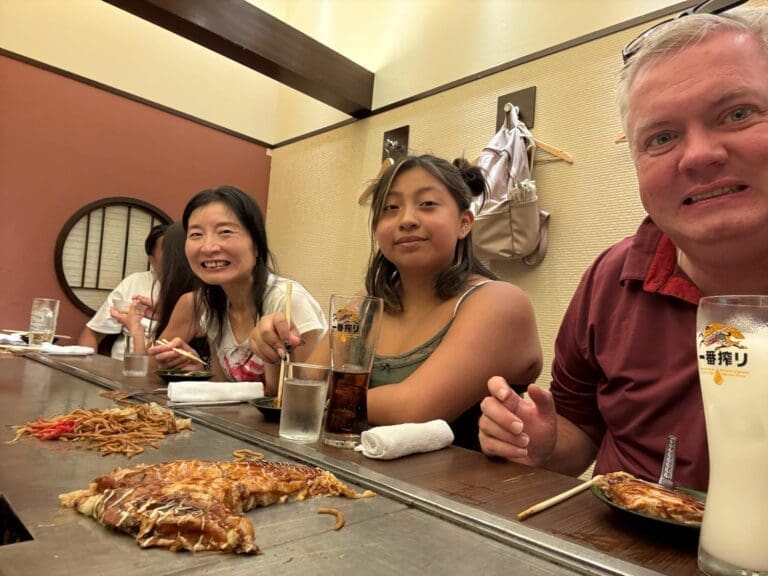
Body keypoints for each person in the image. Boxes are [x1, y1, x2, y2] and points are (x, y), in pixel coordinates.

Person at [478, 5, 768, 491]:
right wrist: (544, 442)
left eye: (737, 114)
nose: (698, 155)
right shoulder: (612, 278)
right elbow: (580, 435)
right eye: (662, 137)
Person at [251, 154, 542, 450]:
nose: (407, 220)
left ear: (464, 223)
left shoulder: (500, 302)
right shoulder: (358, 308)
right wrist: (274, 348)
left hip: (465, 493)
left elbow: (414, 408)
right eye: (391, 208)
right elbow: (301, 390)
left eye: (427, 204)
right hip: (359, 481)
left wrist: (316, 394)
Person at [149, 186, 327, 387]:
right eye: (196, 234)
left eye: (225, 232)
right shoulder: (214, 308)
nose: (208, 247)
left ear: (257, 245)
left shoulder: (287, 300)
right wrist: (198, 369)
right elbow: (226, 388)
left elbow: (302, 395)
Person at [110, 221, 207, 360]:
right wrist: (164, 312)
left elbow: (148, 369)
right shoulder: (205, 296)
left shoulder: (192, 302)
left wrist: (135, 328)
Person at [77, 223, 167, 359]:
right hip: (121, 368)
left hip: (160, 370)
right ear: (151, 259)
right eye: (167, 250)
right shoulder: (135, 282)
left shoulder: (197, 290)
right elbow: (91, 333)